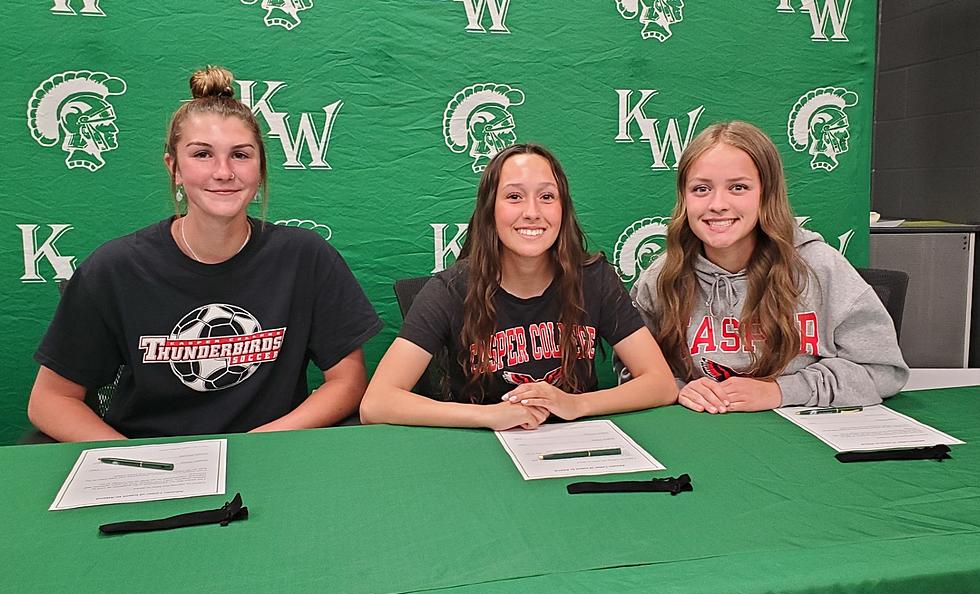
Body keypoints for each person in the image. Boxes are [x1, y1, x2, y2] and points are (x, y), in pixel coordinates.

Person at [28, 66, 381, 441]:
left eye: (241, 155)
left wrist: (264, 442)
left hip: (271, 455)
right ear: (174, 168)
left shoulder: (306, 257)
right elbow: (50, 399)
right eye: (202, 154)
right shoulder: (114, 268)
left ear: (260, 169)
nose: (223, 172)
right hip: (153, 461)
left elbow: (347, 380)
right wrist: (137, 461)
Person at [360, 143, 677, 430]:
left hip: (578, 448)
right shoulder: (450, 289)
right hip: (482, 454)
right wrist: (488, 416)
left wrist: (576, 404)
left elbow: (660, 383)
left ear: (563, 209)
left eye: (547, 196)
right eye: (514, 196)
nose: (532, 212)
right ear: (490, 211)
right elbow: (377, 403)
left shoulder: (594, 278)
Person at [625, 121, 908, 413]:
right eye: (701, 189)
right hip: (702, 434)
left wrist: (782, 391)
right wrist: (676, 387)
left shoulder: (820, 268)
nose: (717, 203)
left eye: (738, 187)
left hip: (801, 437)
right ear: (684, 198)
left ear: (766, 194)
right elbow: (632, 372)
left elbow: (884, 371)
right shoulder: (661, 278)